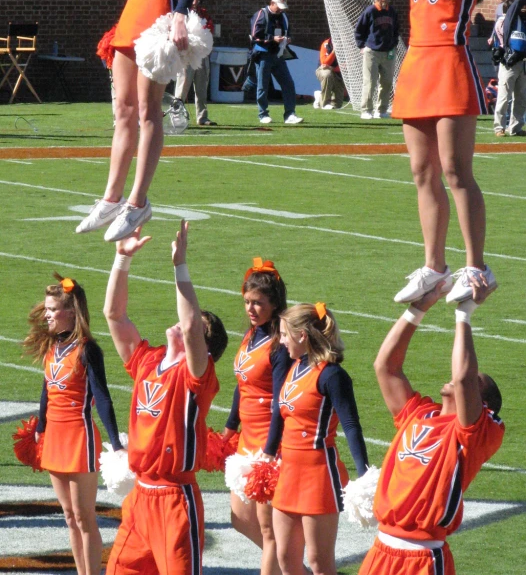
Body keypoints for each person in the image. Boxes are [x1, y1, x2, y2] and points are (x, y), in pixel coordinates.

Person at [343, 0, 501, 305]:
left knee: (456, 171)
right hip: (415, 66)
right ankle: (434, 267)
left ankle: (476, 267)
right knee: (422, 173)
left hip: (450, 64)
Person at [76, 0, 213, 243]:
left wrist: (178, 15)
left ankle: (138, 201)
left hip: (162, 7)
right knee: (122, 107)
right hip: (137, 0)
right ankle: (111, 197)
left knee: (149, 110)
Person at [103, 220, 227, 575]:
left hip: (175, 500)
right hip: (140, 497)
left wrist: (180, 267)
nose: (184, 321)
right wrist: (121, 261)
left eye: (197, 328)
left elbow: (190, 327)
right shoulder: (148, 359)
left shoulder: (197, 376)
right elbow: (114, 315)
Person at [358, 280, 504, 575]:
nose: (465, 377)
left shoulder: (476, 435)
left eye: (477, 381)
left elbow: (463, 379)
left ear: (482, 404)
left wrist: (465, 312)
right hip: (380, 550)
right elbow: (385, 366)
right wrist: (417, 309)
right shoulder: (419, 413)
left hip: (422, 560)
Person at [23, 274, 122, 575]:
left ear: (71, 312)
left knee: (84, 518)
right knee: (68, 516)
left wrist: (116, 445)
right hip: (53, 436)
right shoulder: (53, 346)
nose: (47, 314)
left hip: (80, 438)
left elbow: (103, 399)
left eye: (53, 309)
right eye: (47, 309)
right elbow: (46, 389)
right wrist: (40, 428)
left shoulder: (88, 349)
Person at [273, 302, 369, 575]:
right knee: (286, 558)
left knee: (319, 562)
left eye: (283, 334)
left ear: (302, 336)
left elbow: (351, 425)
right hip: (289, 472)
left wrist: (363, 475)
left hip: (318, 475)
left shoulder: (332, 375)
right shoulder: (294, 367)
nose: (281, 341)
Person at [223, 257, 292, 575]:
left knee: (269, 530)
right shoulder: (252, 336)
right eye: (247, 302)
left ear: (274, 304)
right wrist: (229, 425)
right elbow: (242, 384)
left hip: (269, 442)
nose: (250, 309)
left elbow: (280, 401)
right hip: (247, 439)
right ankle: (291, 566)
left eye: (258, 303)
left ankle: (284, 565)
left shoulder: (279, 344)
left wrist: (269, 451)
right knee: (239, 518)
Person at [249, 0, 303, 125]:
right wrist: (272, 38)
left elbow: (287, 31)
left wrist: (287, 38)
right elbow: (255, 35)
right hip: (263, 54)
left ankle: (290, 114)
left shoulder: (283, 16)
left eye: (282, 7)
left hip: (278, 54)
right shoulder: (261, 14)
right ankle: (263, 114)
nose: (280, 10)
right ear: (272, 3)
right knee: (263, 85)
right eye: (278, 7)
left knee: (288, 84)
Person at [173, 0, 217, 126]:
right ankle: (176, 116)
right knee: (182, 87)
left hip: (202, 54)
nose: (195, 0)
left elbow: (210, 30)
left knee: (202, 86)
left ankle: (202, 117)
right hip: (186, 54)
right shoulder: (179, 13)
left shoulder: (203, 13)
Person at [355, 0, 399, 120]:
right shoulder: (370, 11)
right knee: (370, 82)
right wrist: (362, 46)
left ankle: (382, 110)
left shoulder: (391, 11)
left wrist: (394, 44)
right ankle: (366, 110)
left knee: (386, 82)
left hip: (388, 52)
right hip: (372, 52)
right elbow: (359, 30)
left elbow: (396, 29)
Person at [493, 0, 526, 137]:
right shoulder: (506, 20)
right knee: (504, 96)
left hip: (522, 62)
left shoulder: (523, 21)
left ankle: (515, 127)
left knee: (521, 98)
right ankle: (499, 127)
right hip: (509, 63)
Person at [315, 37, 345, 109]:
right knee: (327, 74)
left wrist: (333, 68)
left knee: (337, 105)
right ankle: (325, 103)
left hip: (338, 72)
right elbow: (325, 63)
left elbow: (347, 65)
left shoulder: (347, 46)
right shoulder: (326, 44)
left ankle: (319, 98)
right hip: (323, 70)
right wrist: (334, 51)